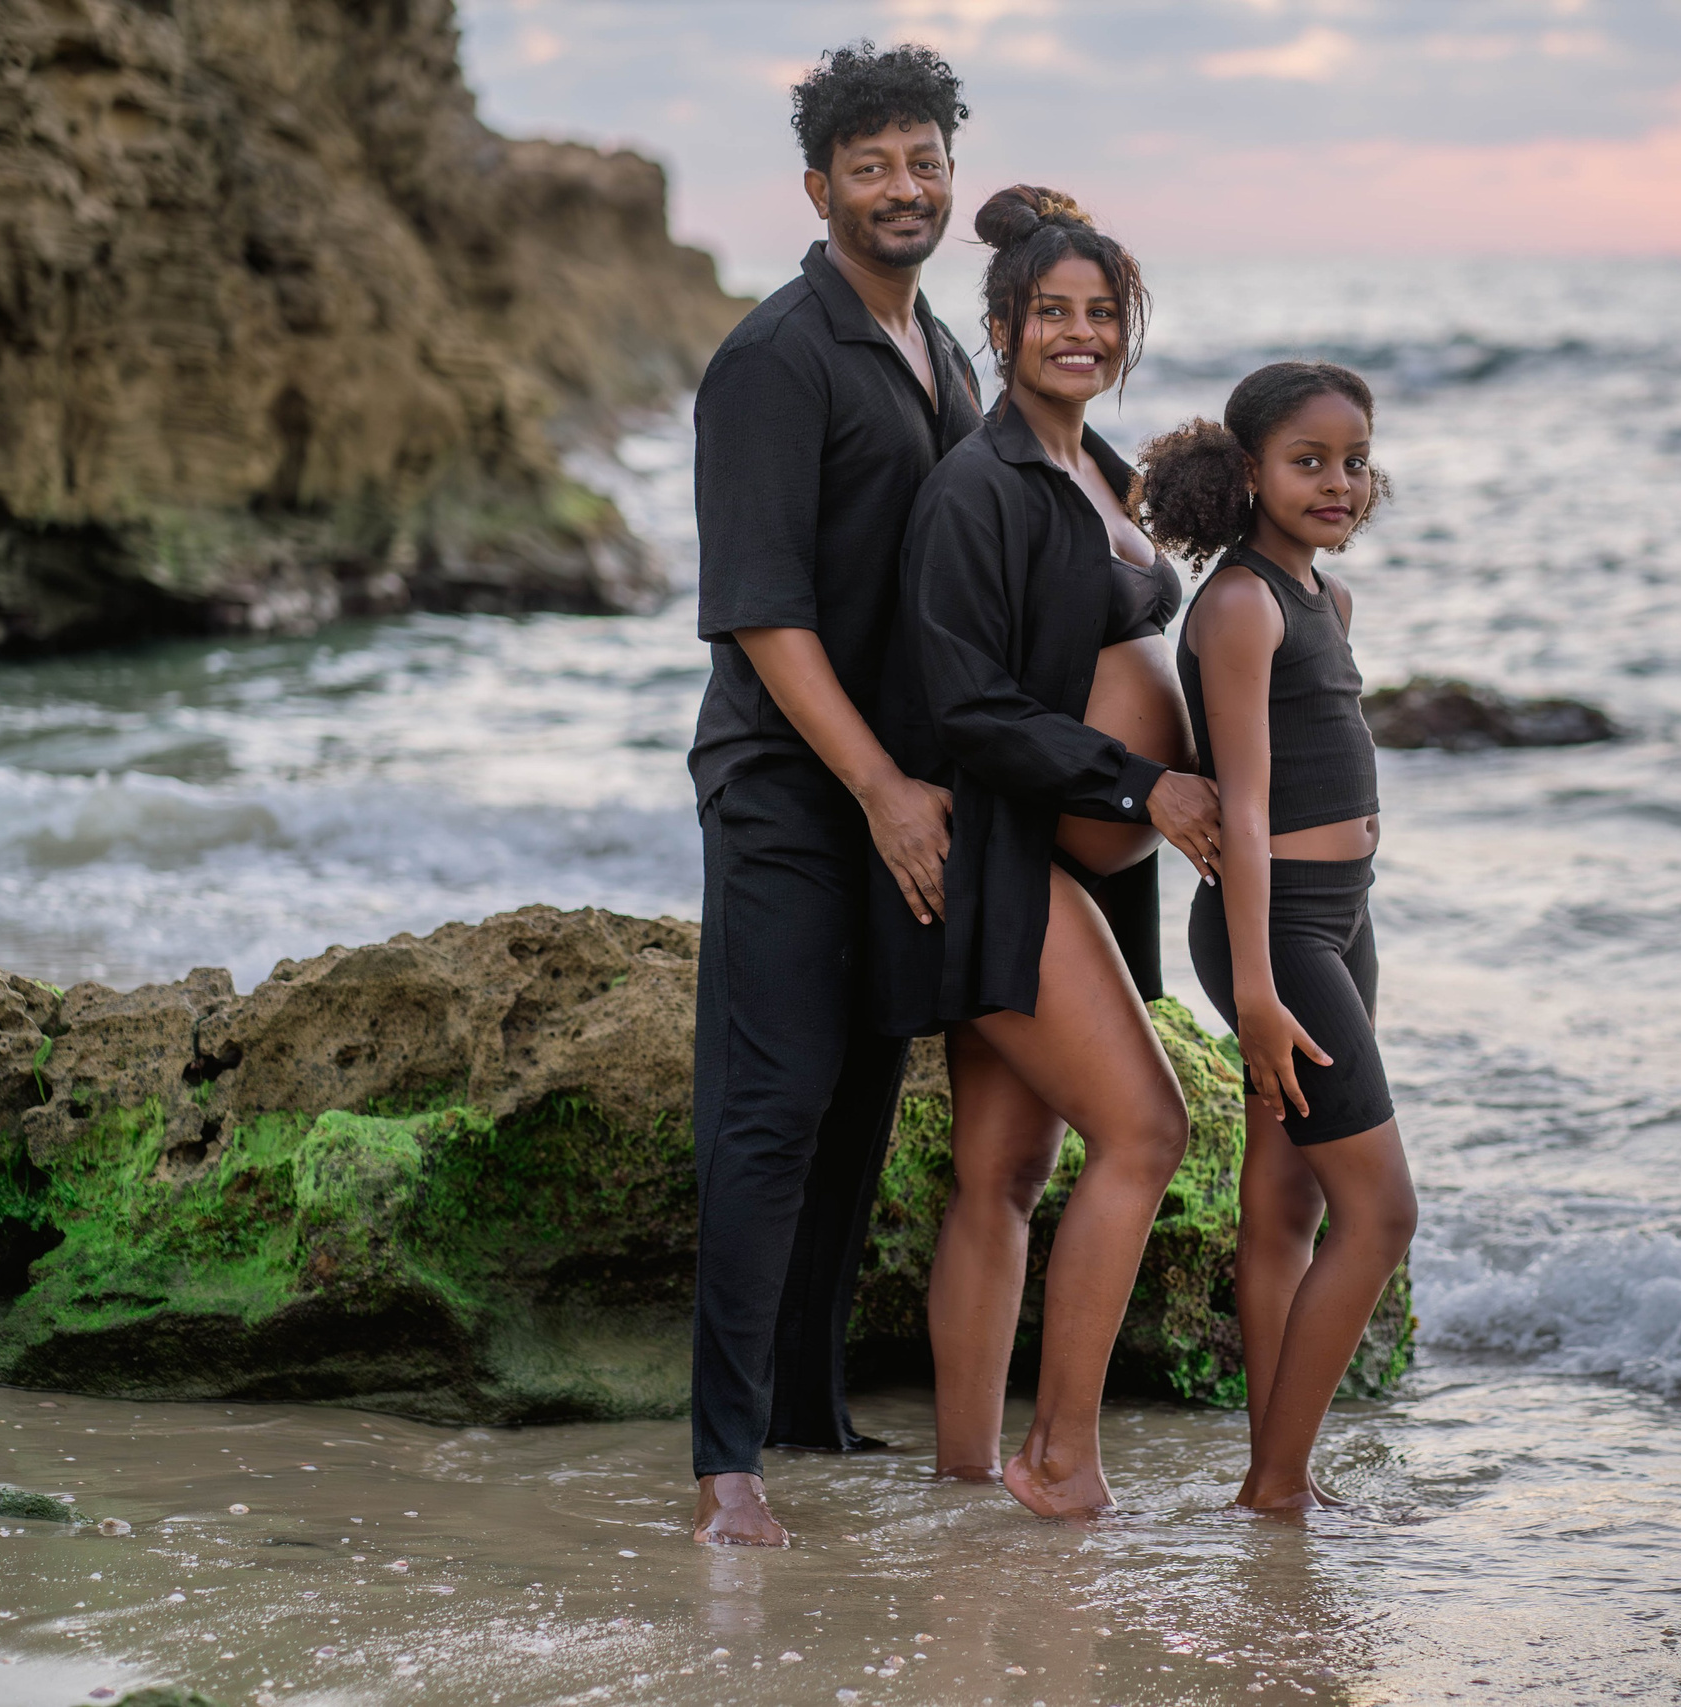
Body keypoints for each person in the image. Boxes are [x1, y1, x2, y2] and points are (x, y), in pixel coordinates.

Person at [874, 186, 1222, 1518]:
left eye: (1101, 313)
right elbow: (967, 704)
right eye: (1051, 313)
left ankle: (967, 1473)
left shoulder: (1096, 462)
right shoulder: (981, 484)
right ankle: (1061, 1454)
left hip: (1080, 870)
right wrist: (1145, 781)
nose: (1079, 333)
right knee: (1147, 1127)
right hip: (1011, 858)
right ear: (1004, 328)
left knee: (1002, 1173)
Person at [683, 41, 984, 1547]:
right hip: (795, 791)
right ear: (819, 188)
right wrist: (871, 782)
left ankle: (809, 1411)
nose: (903, 186)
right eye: (871, 164)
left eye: (924, 159)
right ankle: (724, 1460)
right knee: (769, 1110)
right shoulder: (772, 358)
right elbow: (757, 607)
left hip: (909, 798)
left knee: (864, 1101)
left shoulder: (951, 355)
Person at [1139, 363, 1418, 1511]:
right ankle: (1277, 1484)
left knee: (1288, 1204)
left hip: (1338, 922)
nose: (1337, 482)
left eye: (1354, 461)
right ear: (1248, 471)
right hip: (1278, 939)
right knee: (1381, 1209)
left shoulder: (1324, 602)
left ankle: (1275, 1469)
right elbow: (1241, 808)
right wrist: (1255, 987)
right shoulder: (1241, 603)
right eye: (1308, 462)